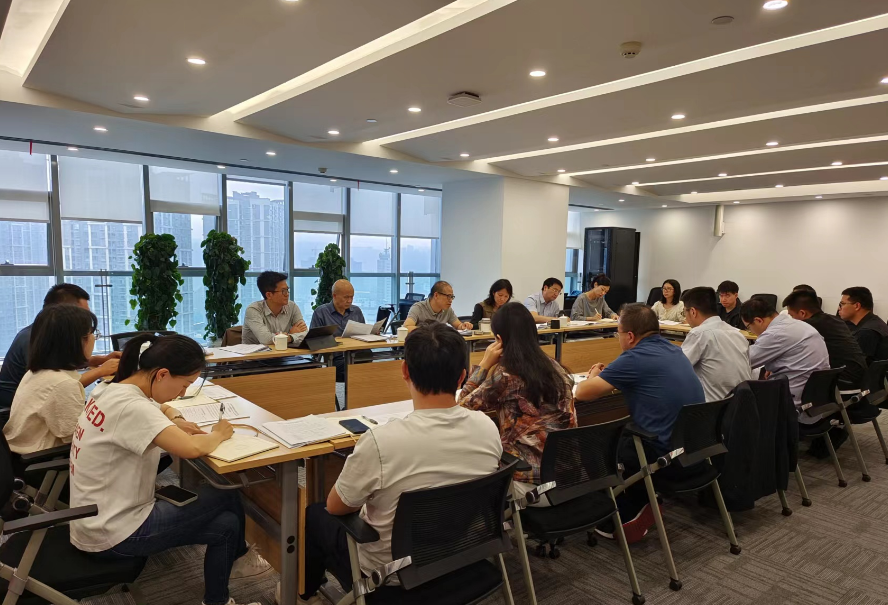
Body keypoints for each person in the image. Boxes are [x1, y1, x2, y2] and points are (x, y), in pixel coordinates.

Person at [300, 322, 502, 601]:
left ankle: (303, 593)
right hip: (460, 553)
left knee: (315, 514)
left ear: (404, 371)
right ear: (462, 377)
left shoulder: (380, 442)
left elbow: (336, 507)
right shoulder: (487, 428)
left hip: (390, 576)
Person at [69, 334, 268, 605]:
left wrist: (174, 417)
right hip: (116, 531)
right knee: (226, 494)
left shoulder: (111, 389)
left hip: (91, 521)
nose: (183, 393)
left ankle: (218, 598)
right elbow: (191, 448)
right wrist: (219, 433)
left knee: (227, 526)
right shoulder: (133, 407)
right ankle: (240, 559)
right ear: (162, 374)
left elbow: (157, 407)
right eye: (184, 384)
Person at [574, 304, 703, 542]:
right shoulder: (674, 349)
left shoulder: (635, 358)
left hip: (664, 456)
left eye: (618, 333)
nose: (618, 338)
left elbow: (582, 393)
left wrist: (592, 377)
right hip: (695, 450)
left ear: (630, 336)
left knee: (596, 442)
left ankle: (624, 513)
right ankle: (640, 497)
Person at [460, 303, 576, 503]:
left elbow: (461, 408)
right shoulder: (556, 368)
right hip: (570, 479)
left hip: (533, 486)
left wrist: (484, 364)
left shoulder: (506, 375)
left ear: (499, 340)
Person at [0, 283, 120, 423]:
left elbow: (58, 364)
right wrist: (100, 371)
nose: (85, 320)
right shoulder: (33, 339)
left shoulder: (43, 334)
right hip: (16, 414)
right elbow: (60, 386)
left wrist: (98, 360)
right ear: (63, 312)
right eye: (81, 314)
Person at [3, 305, 97, 455]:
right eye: (92, 333)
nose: (94, 338)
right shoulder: (62, 384)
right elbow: (78, 439)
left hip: (17, 454)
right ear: (76, 341)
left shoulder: (38, 371)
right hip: (44, 462)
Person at [740, 297, 829, 421]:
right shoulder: (802, 325)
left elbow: (742, 361)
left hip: (792, 403)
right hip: (817, 399)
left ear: (758, 320)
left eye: (748, 327)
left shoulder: (775, 333)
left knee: (738, 397)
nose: (750, 331)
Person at [783, 290, 866, 389]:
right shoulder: (836, 320)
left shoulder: (808, 326)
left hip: (844, 382)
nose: (792, 320)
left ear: (802, 313)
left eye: (792, 316)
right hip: (859, 377)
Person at [680, 287, 753, 402]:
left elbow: (677, 369)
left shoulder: (699, 334)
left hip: (714, 407)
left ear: (693, 312)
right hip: (742, 404)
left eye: (684, 312)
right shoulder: (738, 334)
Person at [309, 280, 365, 383]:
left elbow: (363, 334)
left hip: (357, 354)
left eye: (352, 297)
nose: (349, 301)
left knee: (374, 365)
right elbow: (313, 340)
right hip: (334, 358)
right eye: (346, 297)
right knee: (357, 370)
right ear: (334, 296)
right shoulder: (321, 312)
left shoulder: (356, 311)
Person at [242, 271, 307, 345]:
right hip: (257, 352)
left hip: (285, 352)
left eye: (287, 290)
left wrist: (290, 337)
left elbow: (305, 333)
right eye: (283, 291)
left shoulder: (292, 306)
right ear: (269, 295)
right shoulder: (253, 310)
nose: (287, 294)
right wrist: (290, 336)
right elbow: (266, 339)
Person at [839, 286, 888, 364]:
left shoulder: (867, 332)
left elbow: (855, 365)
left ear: (857, 306)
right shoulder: (876, 322)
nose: (839, 308)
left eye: (842, 304)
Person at [404, 281, 473, 330]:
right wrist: (429, 329)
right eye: (448, 296)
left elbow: (458, 325)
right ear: (436, 295)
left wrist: (464, 326)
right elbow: (406, 328)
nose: (450, 300)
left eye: (452, 297)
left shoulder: (447, 309)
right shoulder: (418, 308)